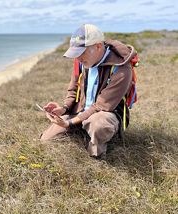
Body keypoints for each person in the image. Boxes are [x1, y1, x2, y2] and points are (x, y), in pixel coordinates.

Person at [40, 23, 136, 158]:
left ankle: (97, 154)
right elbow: (73, 90)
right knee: (45, 141)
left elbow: (101, 106)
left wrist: (70, 122)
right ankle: (81, 129)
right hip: (80, 111)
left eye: (81, 53)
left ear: (98, 46)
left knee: (99, 124)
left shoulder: (121, 69)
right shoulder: (81, 62)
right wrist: (64, 108)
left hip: (105, 113)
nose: (78, 58)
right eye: (75, 54)